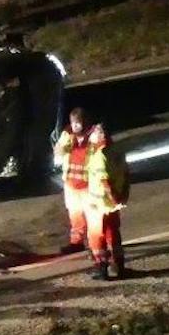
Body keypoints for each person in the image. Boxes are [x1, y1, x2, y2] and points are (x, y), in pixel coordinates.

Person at [83, 123, 130, 281]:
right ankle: (119, 265)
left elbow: (104, 181)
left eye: (94, 134)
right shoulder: (118, 151)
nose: (91, 138)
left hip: (100, 203)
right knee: (114, 234)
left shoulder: (99, 156)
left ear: (101, 136)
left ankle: (101, 267)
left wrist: (113, 196)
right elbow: (126, 174)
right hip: (113, 204)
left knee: (97, 236)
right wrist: (122, 195)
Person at [53, 107, 96, 254]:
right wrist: (62, 147)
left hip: (89, 185)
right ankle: (76, 242)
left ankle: (96, 244)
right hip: (71, 184)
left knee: (93, 216)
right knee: (75, 215)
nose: (76, 126)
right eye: (74, 123)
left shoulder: (95, 136)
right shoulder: (67, 135)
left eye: (79, 123)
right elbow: (58, 154)